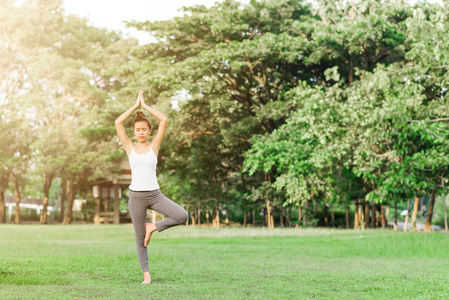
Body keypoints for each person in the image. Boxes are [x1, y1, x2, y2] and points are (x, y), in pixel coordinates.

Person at [115, 90, 188, 284]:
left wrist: (144, 106)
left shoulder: (154, 146)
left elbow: (163, 120)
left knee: (182, 215)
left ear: (149, 131)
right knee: (140, 239)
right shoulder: (129, 147)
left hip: (155, 195)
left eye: (144, 129)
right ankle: (146, 276)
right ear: (134, 132)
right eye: (137, 129)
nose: (140, 132)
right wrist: (134, 107)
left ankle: (152, 227)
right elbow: (117, 123)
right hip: (136, 197)